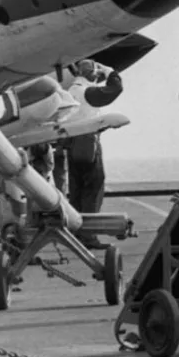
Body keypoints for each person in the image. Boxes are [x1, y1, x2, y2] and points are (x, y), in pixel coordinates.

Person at [61, 59, 124, 248]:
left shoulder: (70, 91)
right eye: (96, 74)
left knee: (76, 190)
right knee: (93, 188)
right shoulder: (88, 92)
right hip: (88, 143)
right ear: (90, 75)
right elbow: (116, 89)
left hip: (71, 144)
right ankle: (89, 236)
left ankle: (74, 234)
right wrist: (111, 70)